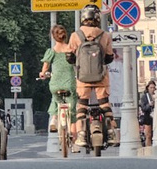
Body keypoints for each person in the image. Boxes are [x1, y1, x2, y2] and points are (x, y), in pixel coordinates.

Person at [71, 17, 113, 151]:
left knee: (82, 106)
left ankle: (81, 134)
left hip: (83, 78)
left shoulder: (75, 35)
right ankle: (111, 132)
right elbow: (109, 57)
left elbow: (69, 57)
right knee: (105, 104)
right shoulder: (105, 35)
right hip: (101, 77)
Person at [39, 24, 77, 153]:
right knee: (72, 111)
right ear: (65, 35)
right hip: (70, 83)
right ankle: (74, 141)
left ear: (53, 37)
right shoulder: (71, 50)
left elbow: (45, 69)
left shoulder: (51, 51)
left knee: (55, 100)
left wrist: (43, 74)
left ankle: (54, 119)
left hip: (55, 84)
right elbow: (76, 64)